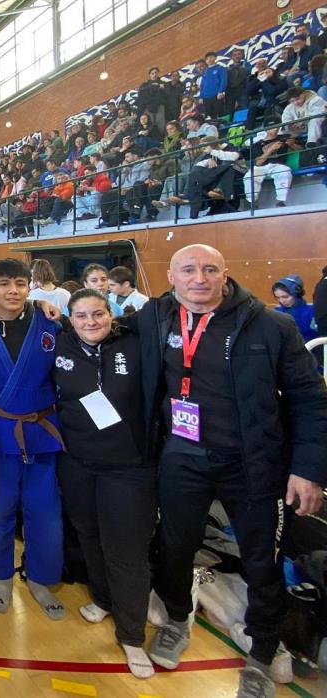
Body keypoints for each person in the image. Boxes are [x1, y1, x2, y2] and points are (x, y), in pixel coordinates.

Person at [135, 245, 327, 698]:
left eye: (209, 269)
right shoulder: (156, 318)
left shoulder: (270, 325)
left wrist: (308, 471)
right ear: (172, 276)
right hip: (183, 456)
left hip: (255, 463)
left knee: (263, 560)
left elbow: (311, 400)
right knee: (176, 546)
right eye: (188, 270)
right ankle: (178, 618)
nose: (199, 278)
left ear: (225, 274)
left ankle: (263, 649)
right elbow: (101, 327)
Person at [53, 289, 155, 679]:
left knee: (126, 549)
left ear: (111, 314)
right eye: (81, 316)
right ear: (70, 318)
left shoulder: (134, 339)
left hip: (129, 466)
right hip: (78, 462)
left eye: (98, 314)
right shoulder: (60, 343)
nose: (90, 322)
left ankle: (132, 636)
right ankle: (104, 598)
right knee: (89, 533)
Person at [0, 258, 66, 620]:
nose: (12, 291)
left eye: (19, 283)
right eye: (3, 284)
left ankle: (42, 577)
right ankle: (0, 575)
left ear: (29, 286)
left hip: (42, 428)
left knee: (45, 511)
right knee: (0, 509)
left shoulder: (49, 321)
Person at [272, 275, 318, 343]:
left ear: (297, 294)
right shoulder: (276, 312)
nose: (281, 301)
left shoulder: (313, 311)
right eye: (278, 297)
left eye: (285, 297)